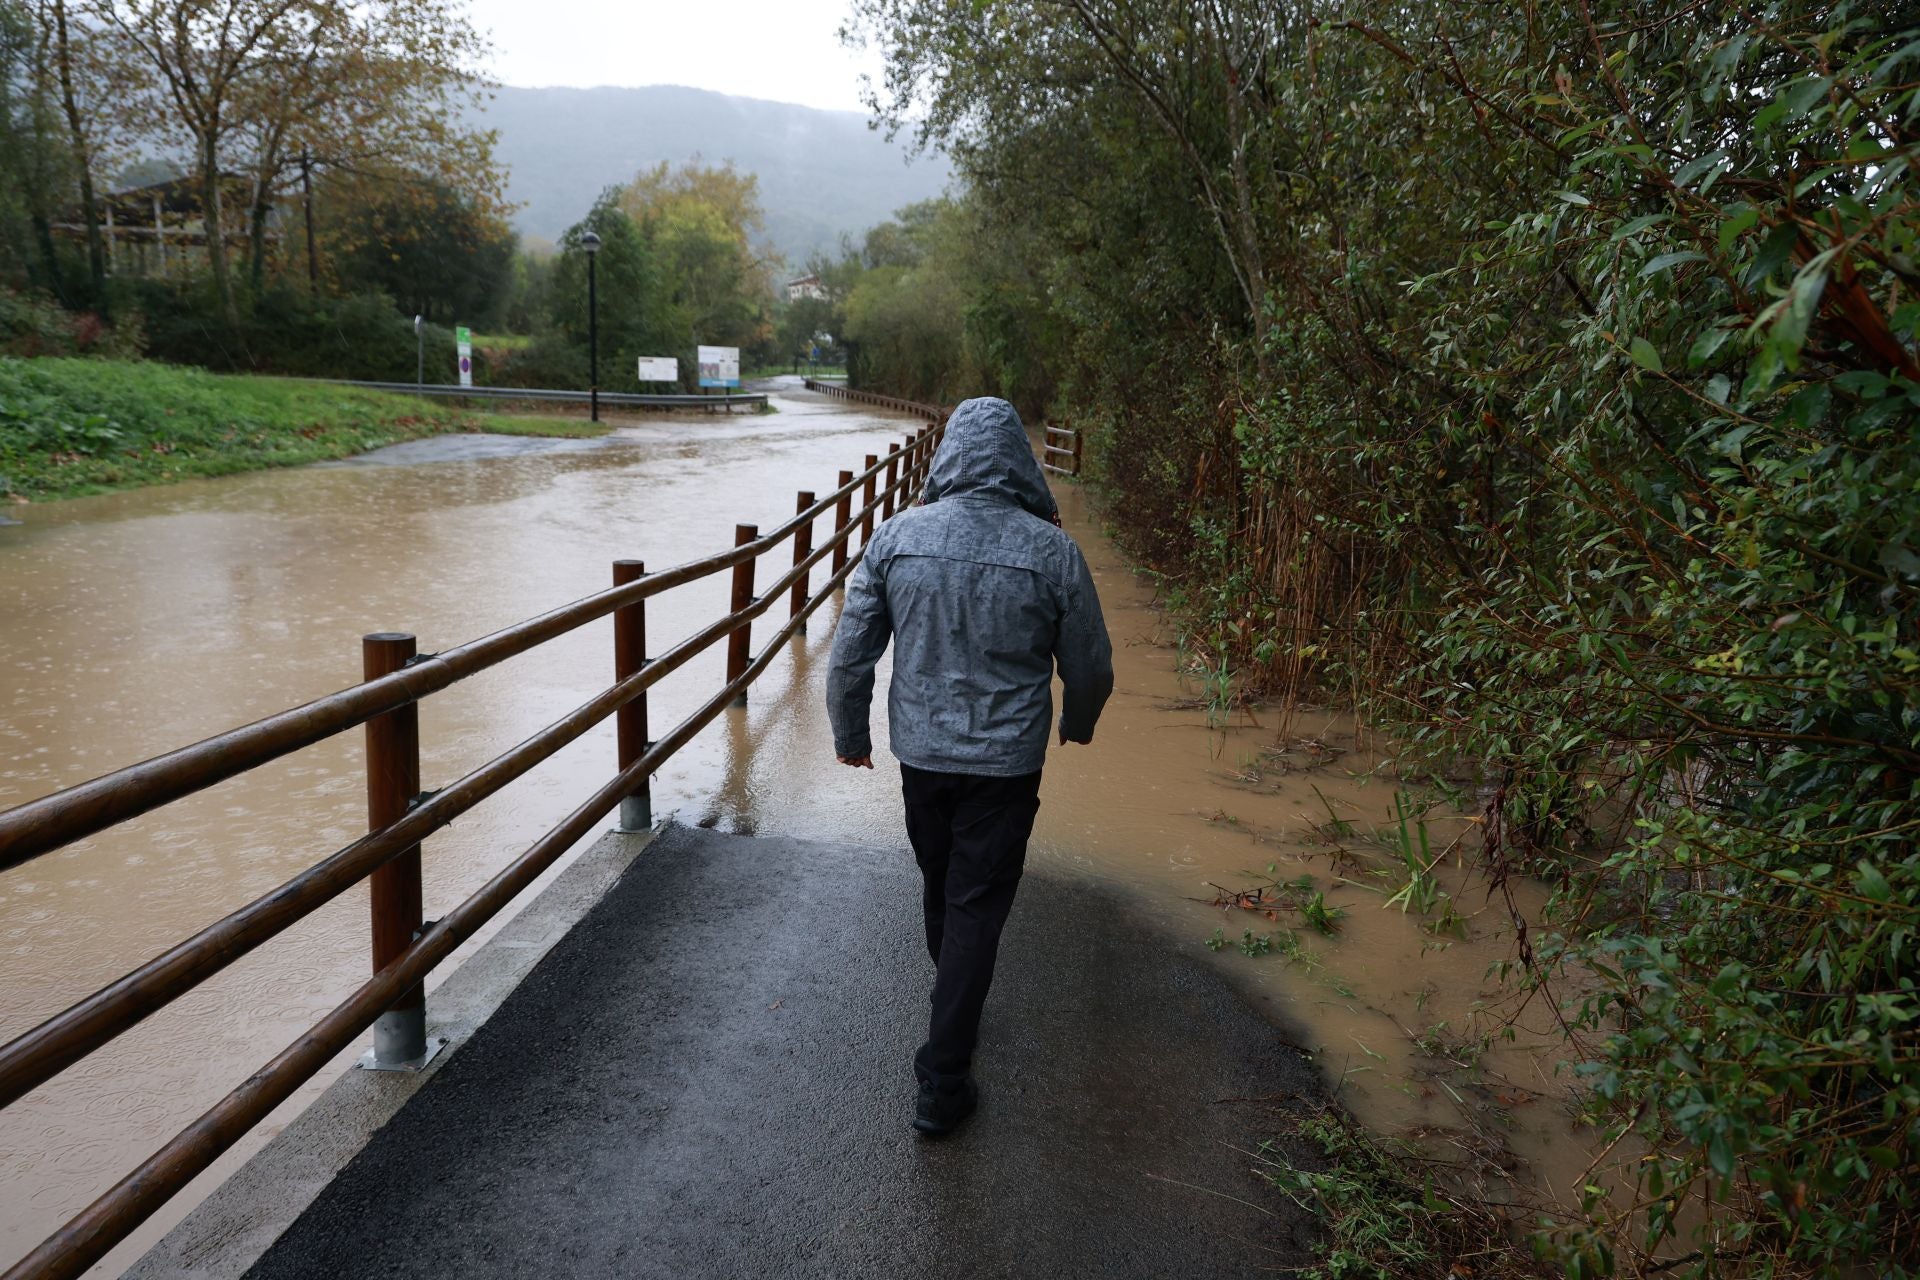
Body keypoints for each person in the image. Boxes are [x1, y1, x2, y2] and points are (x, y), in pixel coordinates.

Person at [825, 395, 1114, 1137]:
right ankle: (944, 1077)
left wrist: (849, 732)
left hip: (921, 756)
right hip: (1006, 765)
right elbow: (1090, 667)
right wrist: (1076, 725)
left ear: (949, 456)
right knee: (975, 903)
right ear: (1019, 459)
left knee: (942, 880)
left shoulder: (895, 539)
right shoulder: (1054, 552)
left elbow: (851, 652)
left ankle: (953, 1008)